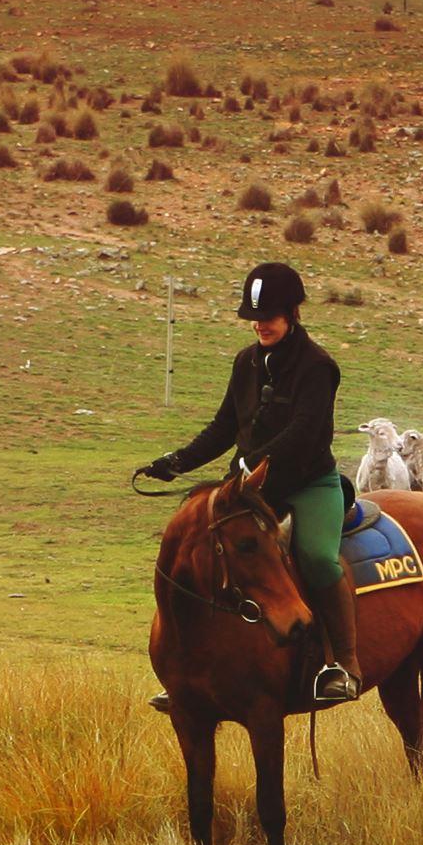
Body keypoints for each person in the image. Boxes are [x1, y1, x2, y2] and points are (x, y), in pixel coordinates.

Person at [139, 260, 362, 706]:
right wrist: (176, 461)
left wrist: (254, 463)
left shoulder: (319, 366)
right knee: (199, 553)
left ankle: (344, 665)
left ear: (292, 314)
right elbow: (225, 426)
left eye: (270, 316)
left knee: (317, 558)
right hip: (248, 486)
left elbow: (304, 432)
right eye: (254, 318)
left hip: (307, 484)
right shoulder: (246, 362)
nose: (261, 325)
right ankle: (186, 671)